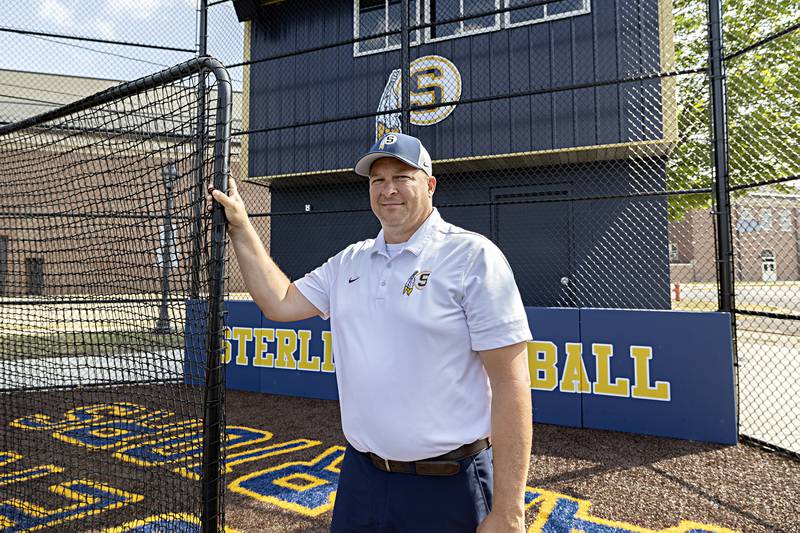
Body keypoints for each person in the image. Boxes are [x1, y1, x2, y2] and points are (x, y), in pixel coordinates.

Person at [208, 132, 533, 532]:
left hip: (448, 483)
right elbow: (280, 301)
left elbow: (510, 382)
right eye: (377, 180)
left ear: (430, 185)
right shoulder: (350, 261)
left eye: (402, 177)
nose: (388, 189)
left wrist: (508, 510)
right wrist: (241, 226)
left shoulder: (472, 257)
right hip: (363, 478)